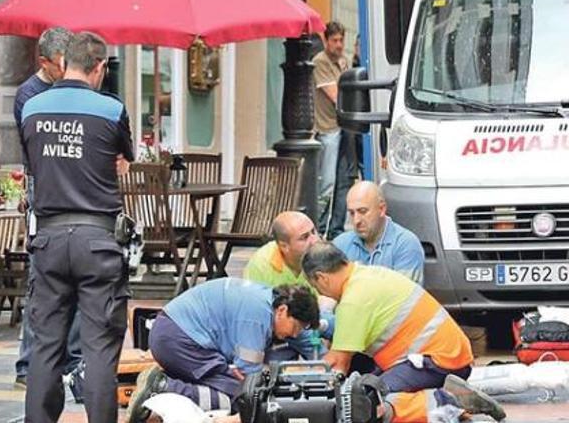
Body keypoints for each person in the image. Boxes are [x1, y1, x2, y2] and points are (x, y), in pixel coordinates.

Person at [21, 31, 134, 423]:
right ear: (100, 66)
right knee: (99, 346)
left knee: (45, 346)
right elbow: (123, 159)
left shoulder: (31, 107)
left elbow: (33, 161)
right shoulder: (111, 108)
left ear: (63, 61)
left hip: (49, 237)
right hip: (98, 239)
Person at [302, 243, 505, 422]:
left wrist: (304, 384)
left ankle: (450, 401)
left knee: (367, 403)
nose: (320, 293)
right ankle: (447, 397)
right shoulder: (368, 274)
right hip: (448, 356)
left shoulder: (353, 300)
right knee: (367, 386)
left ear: (321, 278)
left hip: (436, 361)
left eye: (315, 287)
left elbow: (339, 363)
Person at [126, 281, 320, 422]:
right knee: (242, 398)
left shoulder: (273, 302)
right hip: (178, 340)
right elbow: (250, 380)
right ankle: (163, 388)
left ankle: (169, 387)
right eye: (296, 327)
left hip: (175, 333)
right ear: (283, 311)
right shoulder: (256, 317)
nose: (295, 334)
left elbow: (312, 343)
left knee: (241, 389)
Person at [12, 27, 84, 393]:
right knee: (42, 282)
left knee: (75, 279)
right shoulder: (30, 94)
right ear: (45, 62)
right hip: (44, 188)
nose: (68, 70)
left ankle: (71, 358)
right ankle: (28, 364)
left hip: (71, 190)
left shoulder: (72, 86)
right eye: (62, 64)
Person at [243, 211, 335, 360]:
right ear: (284, 246)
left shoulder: (320, 254)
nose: (315, 240)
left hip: (313, 318)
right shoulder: (260, 265)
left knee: (333, 323)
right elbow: (256, 318)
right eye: (304, 237)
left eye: (313, 232)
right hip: (277, 328)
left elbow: (330, 299)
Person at [332, 181, 424, 283]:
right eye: (352, 213)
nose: (356, 220)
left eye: (362, 211)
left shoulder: (405, 244)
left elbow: (402, 295)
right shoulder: (340, 244)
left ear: (381, 209)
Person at [312, 21, 350, 236]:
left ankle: (334, 229)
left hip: (343, 127)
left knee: (342, 181)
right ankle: (317, 226)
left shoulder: (343, 61)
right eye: (334, 40)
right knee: (327, 183)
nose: (339, 44)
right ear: (326, 40)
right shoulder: (321, 62)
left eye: (341, 40)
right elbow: (336, 96)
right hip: (327, 128)